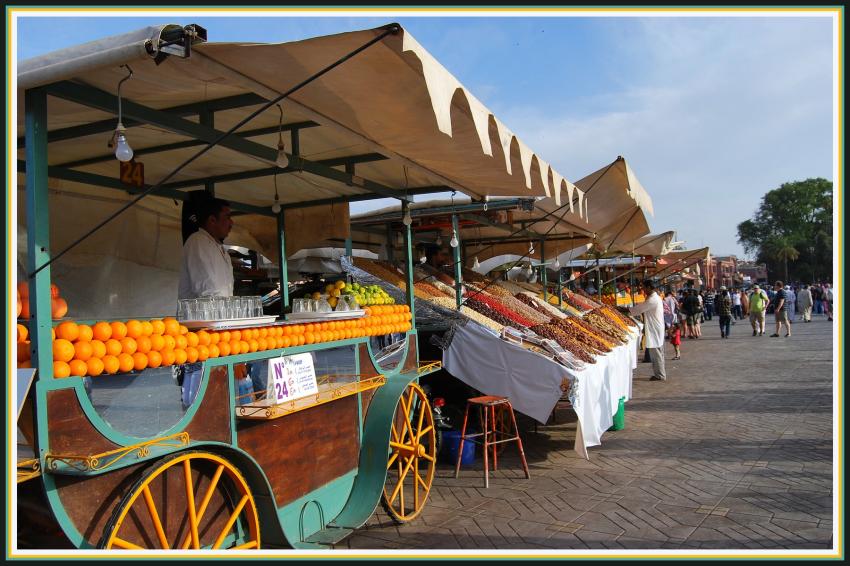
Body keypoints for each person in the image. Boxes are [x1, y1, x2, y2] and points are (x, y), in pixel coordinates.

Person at [178, 198, 235, 408]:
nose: (231, 222)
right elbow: (208, 290)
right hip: (202, 330)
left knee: (215, 387)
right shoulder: (198, 242)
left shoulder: (219, 248)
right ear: (212, 220)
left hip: (219, 329)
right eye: (227, 217)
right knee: (199, 380)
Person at [629, 280, 666, 381]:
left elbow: (639, 309)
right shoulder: (654, 297)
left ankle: (660, 375)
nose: (643, 290)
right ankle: (660, 373)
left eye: (644, 287)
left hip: (655, 329)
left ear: (649, 287)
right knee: (657, 352)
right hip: (656, 327)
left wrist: (625, 310)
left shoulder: (653, 299)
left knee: (656, 353)